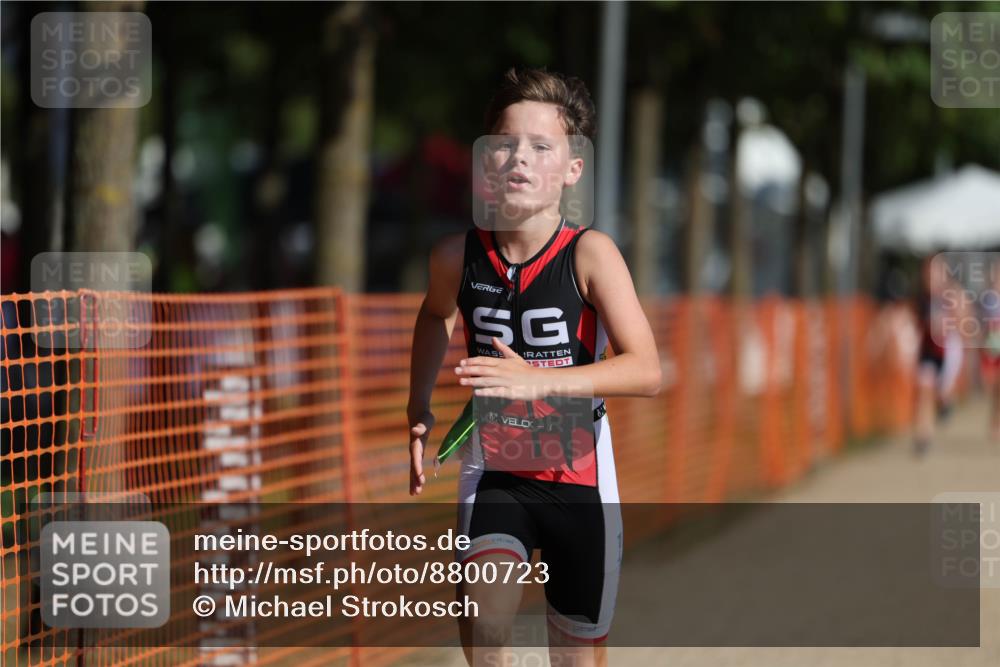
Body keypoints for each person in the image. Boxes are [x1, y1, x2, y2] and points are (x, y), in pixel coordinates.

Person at [406, 67, 661, 667]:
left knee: (575, 658)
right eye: (505, 144)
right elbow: (435, 314)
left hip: (580, 479)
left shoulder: (591, 254)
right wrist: (418, 406)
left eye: (541, 147)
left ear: (572, 169)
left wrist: (538, 380)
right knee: (485, 625)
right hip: (496, 469)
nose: (519, 157)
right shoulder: (456, 258)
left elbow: (647, 370)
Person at [912, 257, 962, 456]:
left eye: (935, 274)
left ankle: (945, 402)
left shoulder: (952, 296)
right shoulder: (921, 299)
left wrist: (948, 324)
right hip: (928, 352)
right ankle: (923, 436)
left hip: (948, 351)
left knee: (941, 393)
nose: (931, 279)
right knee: (924, 392)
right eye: (928, 275)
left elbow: (962, 322)